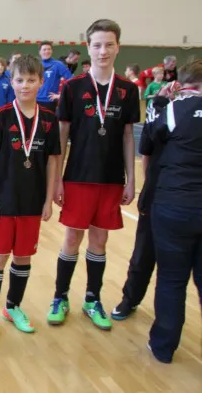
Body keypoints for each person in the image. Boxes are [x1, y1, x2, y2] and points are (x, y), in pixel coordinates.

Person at [48, 19, 140, 331]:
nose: (103, 51)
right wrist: (57, 179)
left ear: (118, 47)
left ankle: (92, 298)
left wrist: (131, 179)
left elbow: (128, 136)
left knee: (100, 240)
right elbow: (62, 134)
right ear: (88, 48)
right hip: (77, 176)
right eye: (97, 45)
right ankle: (60, 297)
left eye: (109, 45)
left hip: (111, 179)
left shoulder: (128, 90)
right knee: (72, 238)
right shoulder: (73, 87)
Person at [0, 54, 60, 345]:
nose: (25, 85)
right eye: (20, 80)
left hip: (32, 203)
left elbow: (52, 160)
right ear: (11, 82)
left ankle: (12, 307)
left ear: (41, 82)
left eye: (31, 80)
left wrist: (48, 199)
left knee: (23, 256)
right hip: (3, 201)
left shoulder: (49, 120)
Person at [145, 59, 202, 364]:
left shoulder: (173, 109)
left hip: (174, 204)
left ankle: (163, 346)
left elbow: (150, 139)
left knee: (171, 279)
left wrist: (160, 101)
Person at [111, 89, 173, 321]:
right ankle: (130, 299)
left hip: (190, 199)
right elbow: (146, 151)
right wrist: (148, 184)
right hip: (157, 192)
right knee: (143, 254)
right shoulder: (162, 111)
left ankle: (168, 315)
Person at [36, 41, 73, 111]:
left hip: (49, 102)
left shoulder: (58, 65)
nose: (47, 51)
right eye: (44, 49)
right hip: (35, 101)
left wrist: (60, 96)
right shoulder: (36, 65)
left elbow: (72, 81)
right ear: (40, 52)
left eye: (49, 49)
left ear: (52, 51)